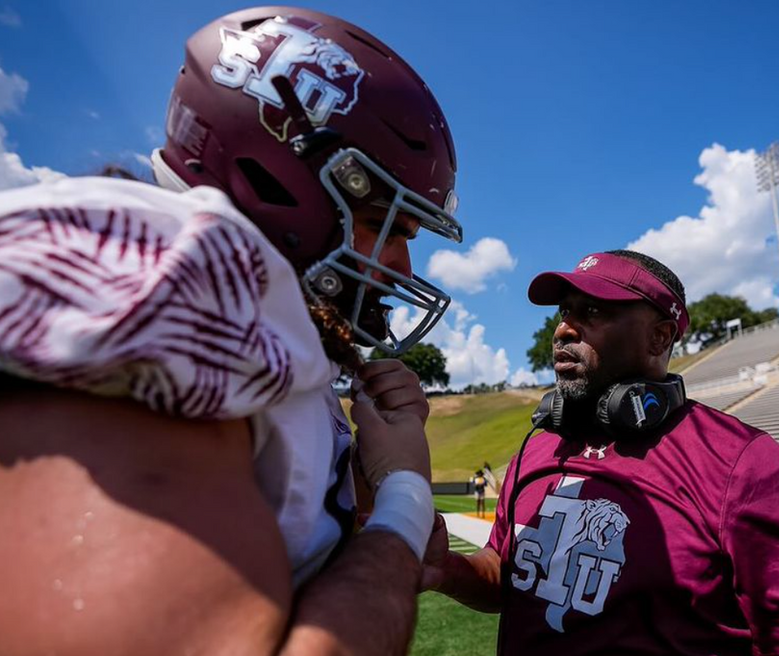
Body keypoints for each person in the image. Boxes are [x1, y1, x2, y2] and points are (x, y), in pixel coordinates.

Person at [0, 7, 464, 655]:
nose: (400, 268)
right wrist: (406, 504)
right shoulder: (174, 278)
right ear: (283, 178)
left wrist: (373, 482)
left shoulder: (260, 319)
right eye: (385, 223)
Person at [422, 250, 779, 656]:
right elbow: (505, 575)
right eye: (565, 311)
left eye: (593, 311)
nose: (564, 328)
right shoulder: (539, 446)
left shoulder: (745, 465)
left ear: (660, 338)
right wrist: (446, 569)